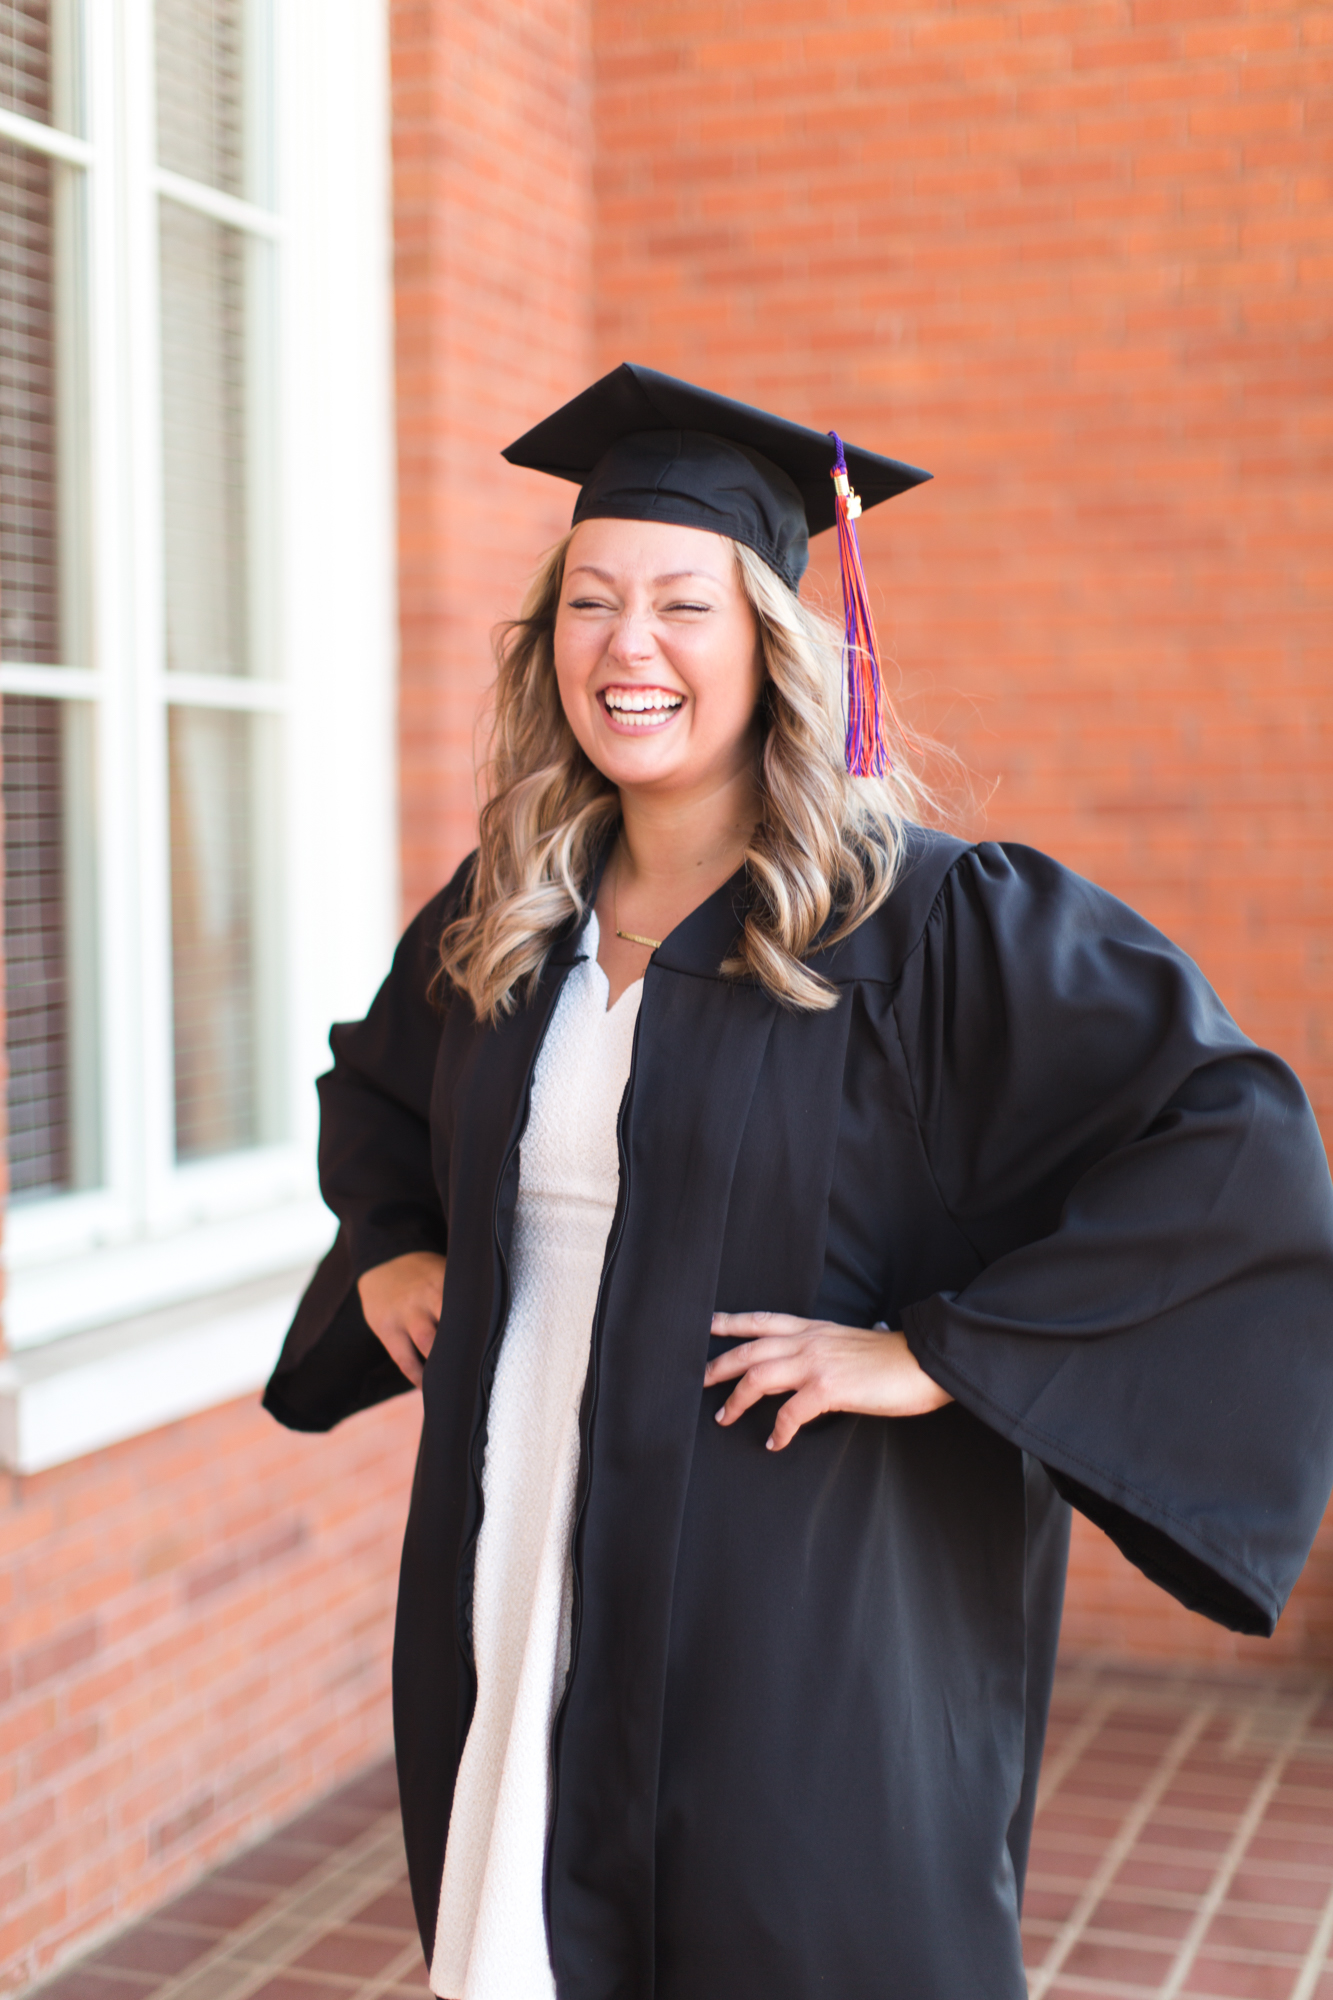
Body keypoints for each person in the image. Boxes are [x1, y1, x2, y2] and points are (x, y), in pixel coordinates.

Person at [265, 363, 1333, 2000]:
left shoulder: (928, 924)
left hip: (792, 1603)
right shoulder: (513, 910)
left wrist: (938, 1355)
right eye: (591, 602)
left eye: (683, 604)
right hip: (517, 1536)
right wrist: (393, 1248)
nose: (629, 647)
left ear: (770, 641)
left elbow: (1229, 1136)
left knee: (784, 1927)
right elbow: (378, 1089)